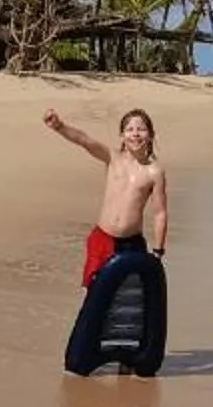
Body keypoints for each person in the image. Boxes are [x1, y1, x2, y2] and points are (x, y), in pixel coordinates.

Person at [43, 105, 168, 287]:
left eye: (141, 129)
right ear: (122, 137)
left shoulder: (154, 172)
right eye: (130, 129)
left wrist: (158, 251)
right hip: (102, 239)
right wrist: (59, 126)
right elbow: (83, 140)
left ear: (150, 135)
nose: (135, 134)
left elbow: (160, 214)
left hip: (131, 245)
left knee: (128, 296)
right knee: (95, 292)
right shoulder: (112, 158)